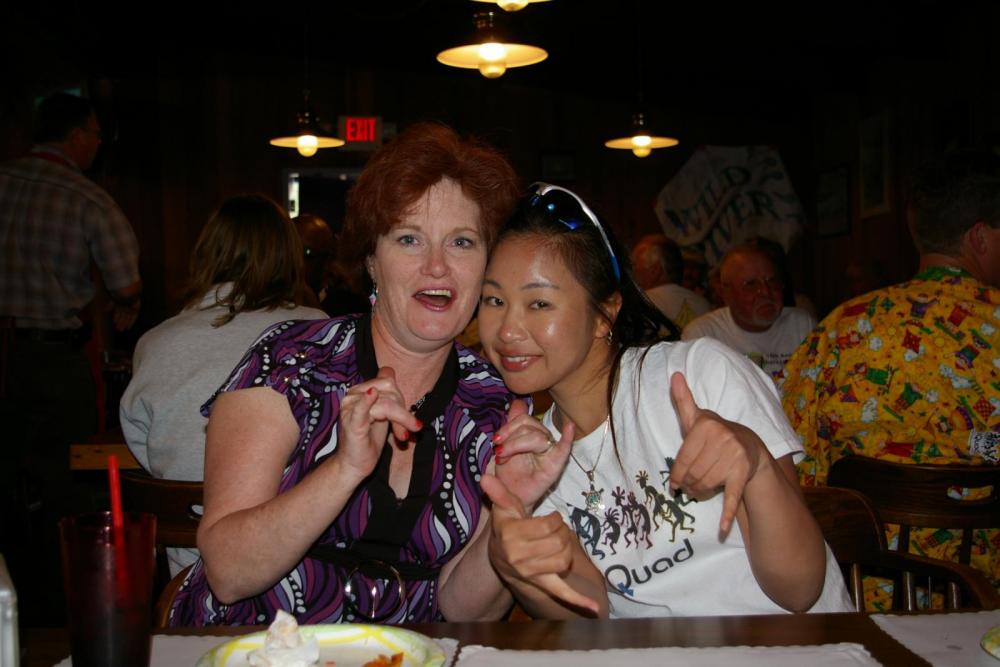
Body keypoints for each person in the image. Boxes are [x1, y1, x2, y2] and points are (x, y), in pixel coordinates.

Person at [169, 122, 524, 626]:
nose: (437, 267)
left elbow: (461, 610)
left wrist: (511, 511)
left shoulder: (493, 401)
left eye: (462, 242)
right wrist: (345, 468)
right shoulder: (291, 361)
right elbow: (228, 573)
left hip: (404, 655)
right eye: (409, 239)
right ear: (372, 259)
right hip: (255, 646)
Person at [476, 183, 852, 618]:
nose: (507, 329)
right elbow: (591, 617)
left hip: (794, 644)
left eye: (539, 303)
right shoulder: (532, 458)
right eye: (494, 300)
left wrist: (756, 463)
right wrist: (517, 563)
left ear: (604, 314)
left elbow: (799, 590)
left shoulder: (698, 375)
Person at [782, 149, 1000, 599]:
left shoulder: (841, 329)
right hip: (989, 599)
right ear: (979, 238)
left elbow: (793, 465)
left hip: (868, 593)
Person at [119, 195, 327, 575]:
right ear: (289, 257)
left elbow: (147, 451)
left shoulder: (155, 342)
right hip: (298, 574)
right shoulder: (319, 331)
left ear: (205, 254)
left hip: (182, 576)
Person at [0, 93, 141, 623]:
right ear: (79, 136)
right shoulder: (85, 198)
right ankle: (63, 608)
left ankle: (15, 598)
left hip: (7, 354)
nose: (97, 145)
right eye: (96, 136)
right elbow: (126, 281)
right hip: (51, 357)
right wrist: (123, 303)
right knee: (68, 477)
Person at [682, 243, 815, 382]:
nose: (765, 291)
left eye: (772, 281)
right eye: (751, 284)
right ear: (725, 294)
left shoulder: (802, 325)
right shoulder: (701, 334)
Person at [293, 213, 369, 316]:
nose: (297, 262)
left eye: (307, 253)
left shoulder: (349, 304)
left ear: (327, 258)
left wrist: (315, 312)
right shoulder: (275, 298)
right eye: (291, 252)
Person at [630, 233, 710, 329]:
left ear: (655, 270)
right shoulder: (704, 305)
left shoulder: (639, 304)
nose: (632, 272)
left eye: (635, 265)